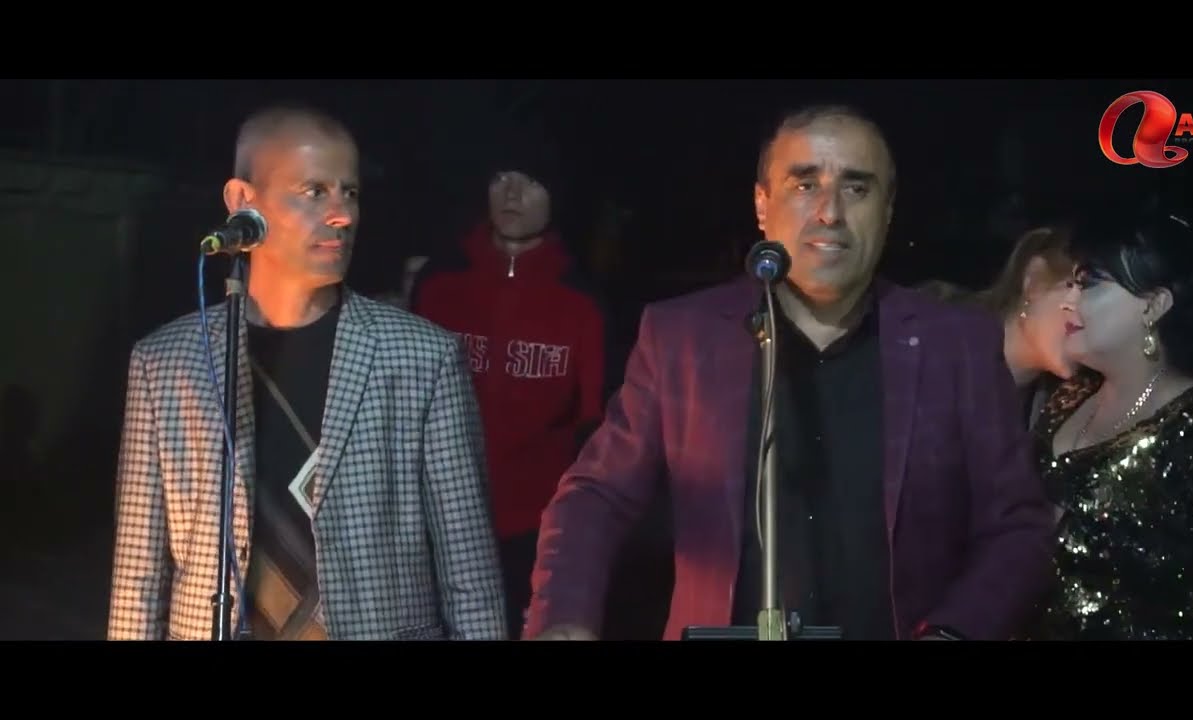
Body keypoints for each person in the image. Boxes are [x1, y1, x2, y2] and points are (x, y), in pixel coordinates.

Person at [525, 104, 1055, 641]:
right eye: (805, 185)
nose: (830, 212)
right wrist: (563, 620)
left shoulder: (956, 346)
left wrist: (953, 633)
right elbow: (596, 495)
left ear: (888, 210)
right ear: (762, 204)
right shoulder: (682, 338)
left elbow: (1017, 526)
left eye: (857, 188)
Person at [107, 104, 507, 641]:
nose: (342, 214)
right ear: (242, 202)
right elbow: (138, 575)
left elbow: (469, 567)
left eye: (351, 192)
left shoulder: (421, 358)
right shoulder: (165, 363)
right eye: (314, 191)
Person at [1026, 203, 1193, 640]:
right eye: (1073, 282)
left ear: (1155, 305)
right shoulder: (1068, 396)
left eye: (1090, 283)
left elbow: (1190, 588)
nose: (1069, 301)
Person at [412, 128, 606, 640]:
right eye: (502, 176)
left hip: (537, 534)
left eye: (531, 181)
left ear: (556, 196)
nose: (512, 193)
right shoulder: (439, 284)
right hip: (439, 524)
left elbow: (596, 431)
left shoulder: (583, 302)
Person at [918, 226, 1080, 424]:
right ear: (1034, 282)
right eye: (1079, 287)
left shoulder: (1052, 412)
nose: (1088, 313)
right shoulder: (930, 331)